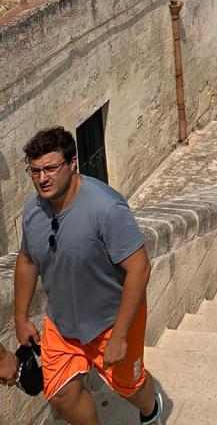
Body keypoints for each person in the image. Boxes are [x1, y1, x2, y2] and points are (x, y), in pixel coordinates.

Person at [14, 126, 163, 425]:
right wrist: (20, 317)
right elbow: (27, 261)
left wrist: (119, 336)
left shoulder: (106, 208)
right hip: (61, 322)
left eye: (51, 168)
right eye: (35, 171)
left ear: (72, 164)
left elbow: (139, 268)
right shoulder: (33, 209)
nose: (43, 179)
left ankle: (151, 408)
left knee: (129, 388)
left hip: (112, 322)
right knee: (62, 396)